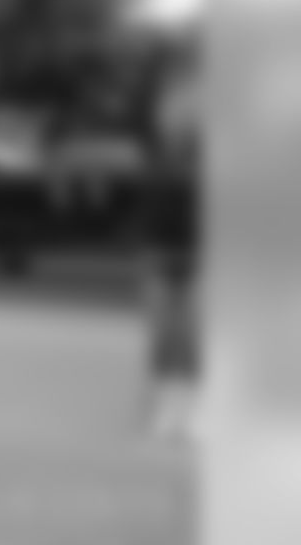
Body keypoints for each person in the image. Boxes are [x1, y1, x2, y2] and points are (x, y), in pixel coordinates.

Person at [141, 64, 201, 441]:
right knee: (164, 333)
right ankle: (164, 407)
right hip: (160, 252)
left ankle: (193, 408)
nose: (176, 115)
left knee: (192, 333)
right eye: (170, 107)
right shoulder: (156, 152)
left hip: (201, 255)